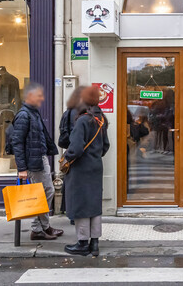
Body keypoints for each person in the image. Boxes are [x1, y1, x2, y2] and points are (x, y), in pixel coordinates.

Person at [10, 84, 63, 241]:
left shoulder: (33, 114)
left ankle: (43, 227)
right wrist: (22, 168)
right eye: (38, 95)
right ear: (29, 97)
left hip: (39, 158)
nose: (42, 98)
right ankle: (38, 228)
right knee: (40, 194)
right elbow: (17, 143)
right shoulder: (23, 115)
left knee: (46, 191)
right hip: (32, 163)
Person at [63, 85, 110, 256]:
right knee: (94, 204)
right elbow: (106, 146)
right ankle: (95, 244)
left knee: (81, 204)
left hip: (80, 169)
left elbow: (75, 148)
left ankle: (82, 243)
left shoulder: (83, 120)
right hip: (96, 167)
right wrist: (95, 156)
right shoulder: (101, 119)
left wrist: (67, 158)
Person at [58, 86, 83, 218]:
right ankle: (76, 214)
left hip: (70, 151)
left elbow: (62, 134)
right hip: (79, 152)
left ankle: (68, 209)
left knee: (70, 182)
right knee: (79, 185)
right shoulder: (83, 114)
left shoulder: (68, 112)